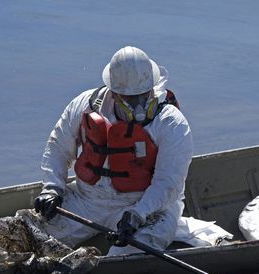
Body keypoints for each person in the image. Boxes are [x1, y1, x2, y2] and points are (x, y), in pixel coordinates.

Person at [33, 46, 193, 256]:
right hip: (87, 200)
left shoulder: (171, 123)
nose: (138, 106)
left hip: (147, 207)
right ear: (114, 93)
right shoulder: (85, 105)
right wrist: (52, 189)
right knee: (31, 235)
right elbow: (57, 147)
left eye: (142, 96)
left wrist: (137, 215)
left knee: (126, 258)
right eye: (129, 99)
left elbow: (168, 183)